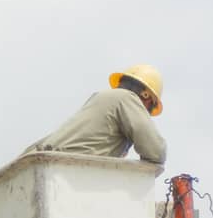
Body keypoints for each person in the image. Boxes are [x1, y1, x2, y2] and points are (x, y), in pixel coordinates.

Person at [26, 64, 168, 164]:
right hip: (68, 172)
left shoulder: (102, 98)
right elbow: (156, 151)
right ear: (146, 96)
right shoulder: (127, 99)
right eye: (151, 107)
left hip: (39, 162)